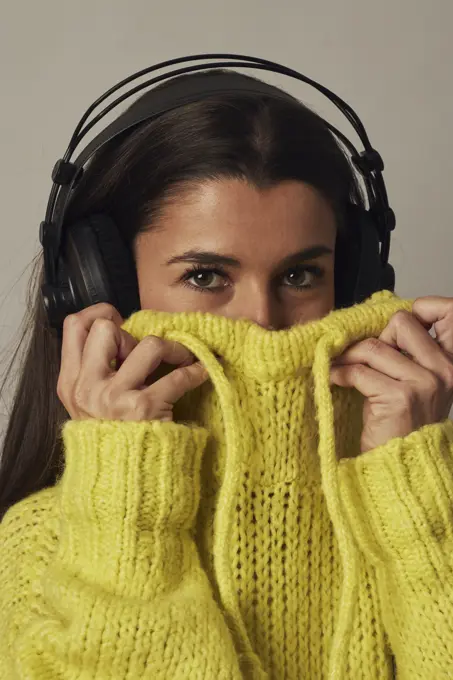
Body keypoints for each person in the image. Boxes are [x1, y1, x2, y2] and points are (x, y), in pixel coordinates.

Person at [0, 63, 452, 680]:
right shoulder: (40, 547)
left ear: (353, 281)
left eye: (300, 275)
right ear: (101, 285)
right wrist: (128, 508)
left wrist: (415, 496)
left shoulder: (429, 504)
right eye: (205, 277)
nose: (261, 322)